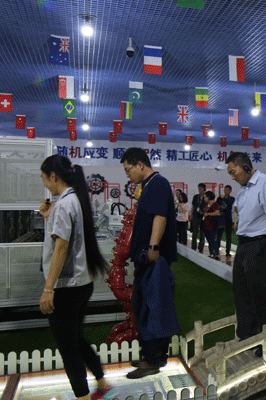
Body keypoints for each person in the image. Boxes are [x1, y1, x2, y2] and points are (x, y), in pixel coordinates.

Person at [38, 155, 112, 400]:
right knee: (75, 339)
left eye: (44, 177)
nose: (43, 182)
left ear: (54, 176)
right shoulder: (74, 200)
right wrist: (48, 217)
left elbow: (61, 247)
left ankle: (82, 396)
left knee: (68, 348)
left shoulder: (64, 204)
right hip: (81, 284)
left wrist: (49, 289)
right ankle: (101, 380)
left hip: (66, 287)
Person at [121, 148, 179, 378]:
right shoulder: (149, 186)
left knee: (152, 308)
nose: (128, 175)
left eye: (128, 170)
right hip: (145, 257)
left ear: (140, 164)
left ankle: (154, 359)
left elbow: (160, 216)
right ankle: (151, 355)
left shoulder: (157, 184)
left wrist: (153, 247)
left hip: (152, 258)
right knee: (144, 307)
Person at [226, 152, 266, 357]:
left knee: (258, 291)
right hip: (244, 244)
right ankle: (248, 336)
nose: (232, 177)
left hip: (260, 243)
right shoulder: (243, 190)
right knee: (240, 290)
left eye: (234, 172)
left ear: (246, 167)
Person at [201, 191, 222, 260]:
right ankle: (211, 254)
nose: (204, 199)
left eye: (205, 197)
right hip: (205, 225)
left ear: (209, 197)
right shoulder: (206, 205)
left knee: (213, 239)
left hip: (212, 224)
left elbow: (217, 213)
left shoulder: (215, 205)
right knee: (209, 240)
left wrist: (208, 214)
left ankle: (217, 254)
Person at [216, 185, 236, 257]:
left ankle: (228, 252)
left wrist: (223, 199)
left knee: (228, 236)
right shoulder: (219, 198)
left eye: (227, 190)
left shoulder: (232, 199)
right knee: (219, 235)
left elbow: (229, 204)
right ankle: (216, 250)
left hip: (228, 219)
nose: (225, 191)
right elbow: (216, 206)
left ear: (230, 191)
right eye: (225, 190)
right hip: (220, 219)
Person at [190, 183, 207, 252]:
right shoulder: (196, 197)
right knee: (194, 232)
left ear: (204, 189)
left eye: (201, 189)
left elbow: (208, 206)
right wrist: (191, 214)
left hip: (203, 216)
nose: (199, 190)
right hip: (195, 215)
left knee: (202, 233)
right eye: (199, 189)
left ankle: (201, 247)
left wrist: (203, 212)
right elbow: (193, 206)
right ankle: (193, 246)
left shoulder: (206, 197)